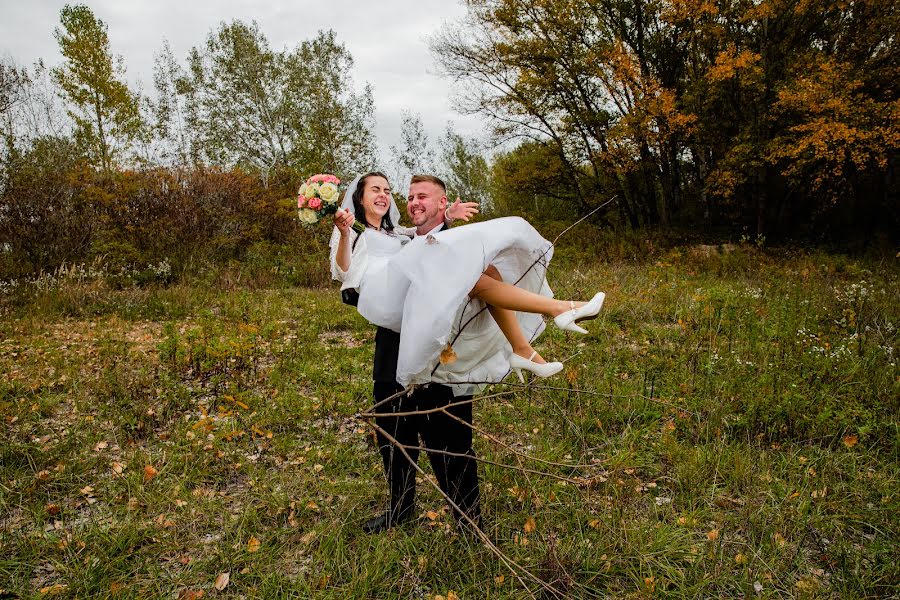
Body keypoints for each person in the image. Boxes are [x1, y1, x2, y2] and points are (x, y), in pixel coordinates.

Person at [330, 172, 605, 532]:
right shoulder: (353, 233)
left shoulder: (403, 234)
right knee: (394, 433)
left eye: (387, 190)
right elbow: (343, 271)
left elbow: (425, 238)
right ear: (359, 199)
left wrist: (444, 216)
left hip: (441, 339)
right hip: (393, 340)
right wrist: (345, 231)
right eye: (374, 191)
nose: (384, 195)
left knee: (451, 437)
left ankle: (468, 519)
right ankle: (400, 508)